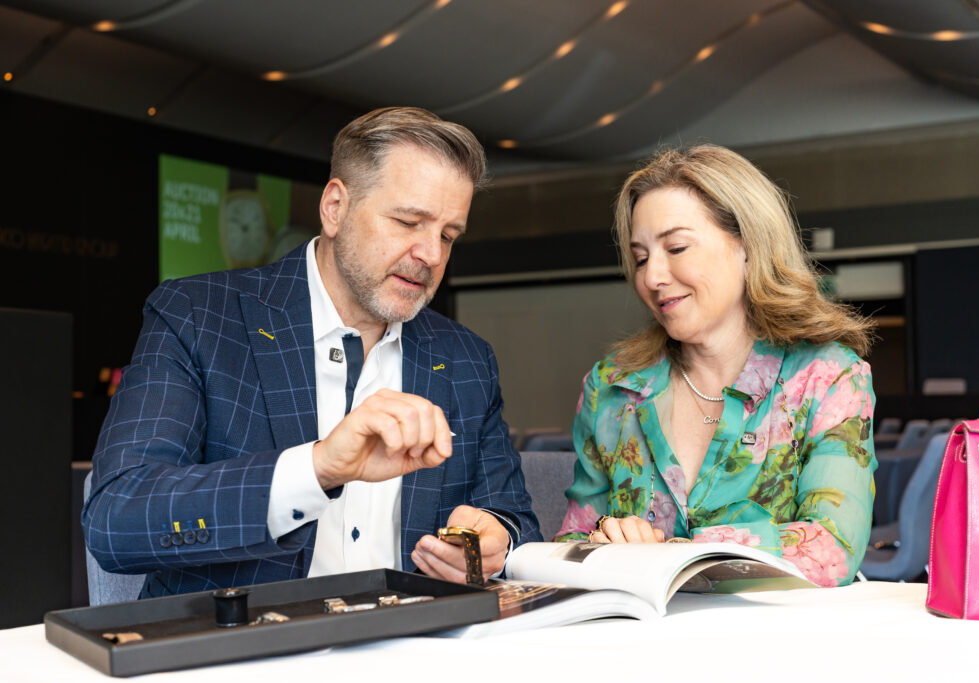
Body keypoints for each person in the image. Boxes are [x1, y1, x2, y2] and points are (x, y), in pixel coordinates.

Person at [83, 107, 540, 597]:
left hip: (416, 638)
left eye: (448, 236)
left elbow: (513, 519)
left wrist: (493, 544)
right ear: (335, 207)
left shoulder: (467, 358)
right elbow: (117, 520)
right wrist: (318, 469)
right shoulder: (199, 316)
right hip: (247, 640)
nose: (431, 254)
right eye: (409, 222)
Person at [554, 144, 876, 587]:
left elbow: (832, 548)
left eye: (677, 247)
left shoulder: (827, 377)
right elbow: (569, 546)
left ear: (748, 245)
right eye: (641, 257)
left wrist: (672, 554)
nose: (651, 277)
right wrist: (604, 538)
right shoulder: (611, 387)